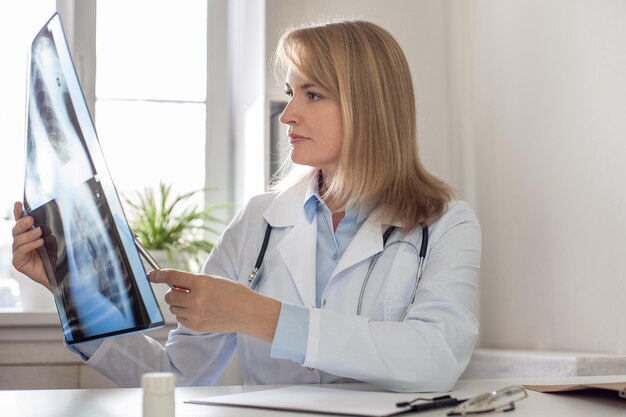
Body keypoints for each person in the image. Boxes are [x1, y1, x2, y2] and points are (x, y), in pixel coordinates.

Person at [11, 20, 481, 392]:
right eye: (292, 92)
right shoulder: (259, 221)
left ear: (369, 107)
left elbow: (435, 359)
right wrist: (71, 292)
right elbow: (177, 376)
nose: (289, 113)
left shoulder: (445, 225)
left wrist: (256, 314)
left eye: (312, 94)